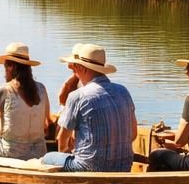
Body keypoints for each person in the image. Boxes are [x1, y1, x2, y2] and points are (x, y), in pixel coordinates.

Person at [42, 43, 137, 172]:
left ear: (82, 68)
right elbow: (133, 134)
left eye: (75, 65)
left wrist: (68, 159)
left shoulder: (77, 96)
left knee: (48, 157)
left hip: (90, 168)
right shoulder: (123, 91)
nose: (73, 69)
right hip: (124, 167)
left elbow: (62, 141)